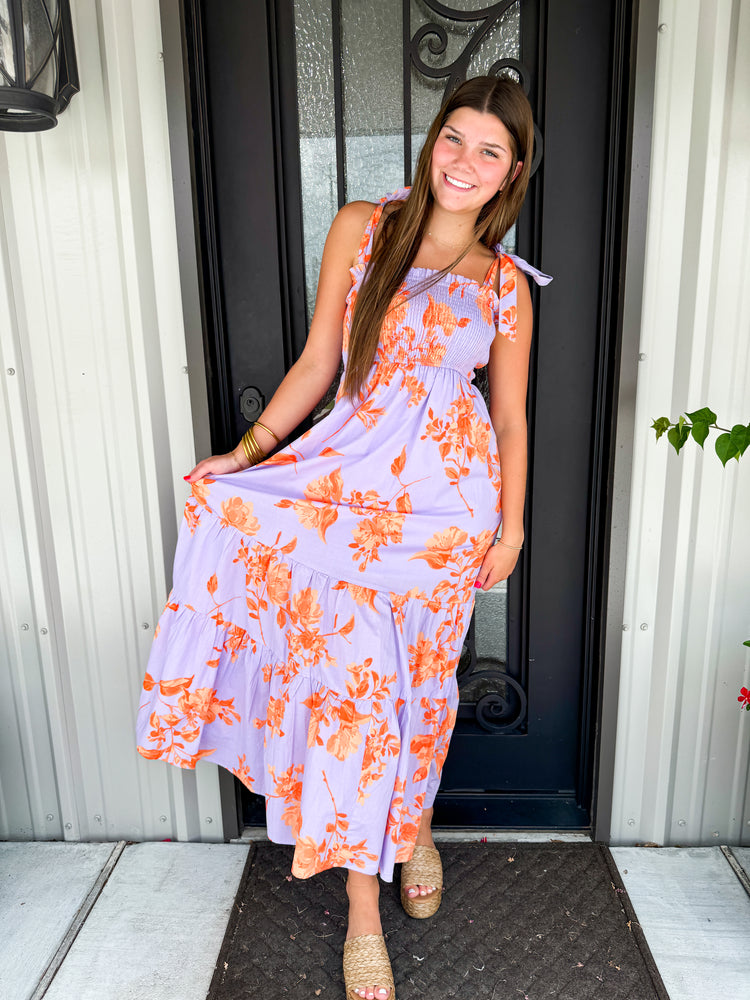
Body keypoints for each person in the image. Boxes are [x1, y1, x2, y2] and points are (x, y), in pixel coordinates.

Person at [136, 74, 550, 1000]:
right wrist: (245, 456)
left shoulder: (510, 288)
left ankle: (413, 827)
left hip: (449, 520)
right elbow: (322, 361)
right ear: (433, 139)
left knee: (422, 694)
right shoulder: (366, 226)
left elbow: (512, 418)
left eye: (490, 150)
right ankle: (364, 909)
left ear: (512, 171)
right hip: (346, 499)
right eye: (455, 138)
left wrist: (512, 526)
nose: (464, 162)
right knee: (355, 699)